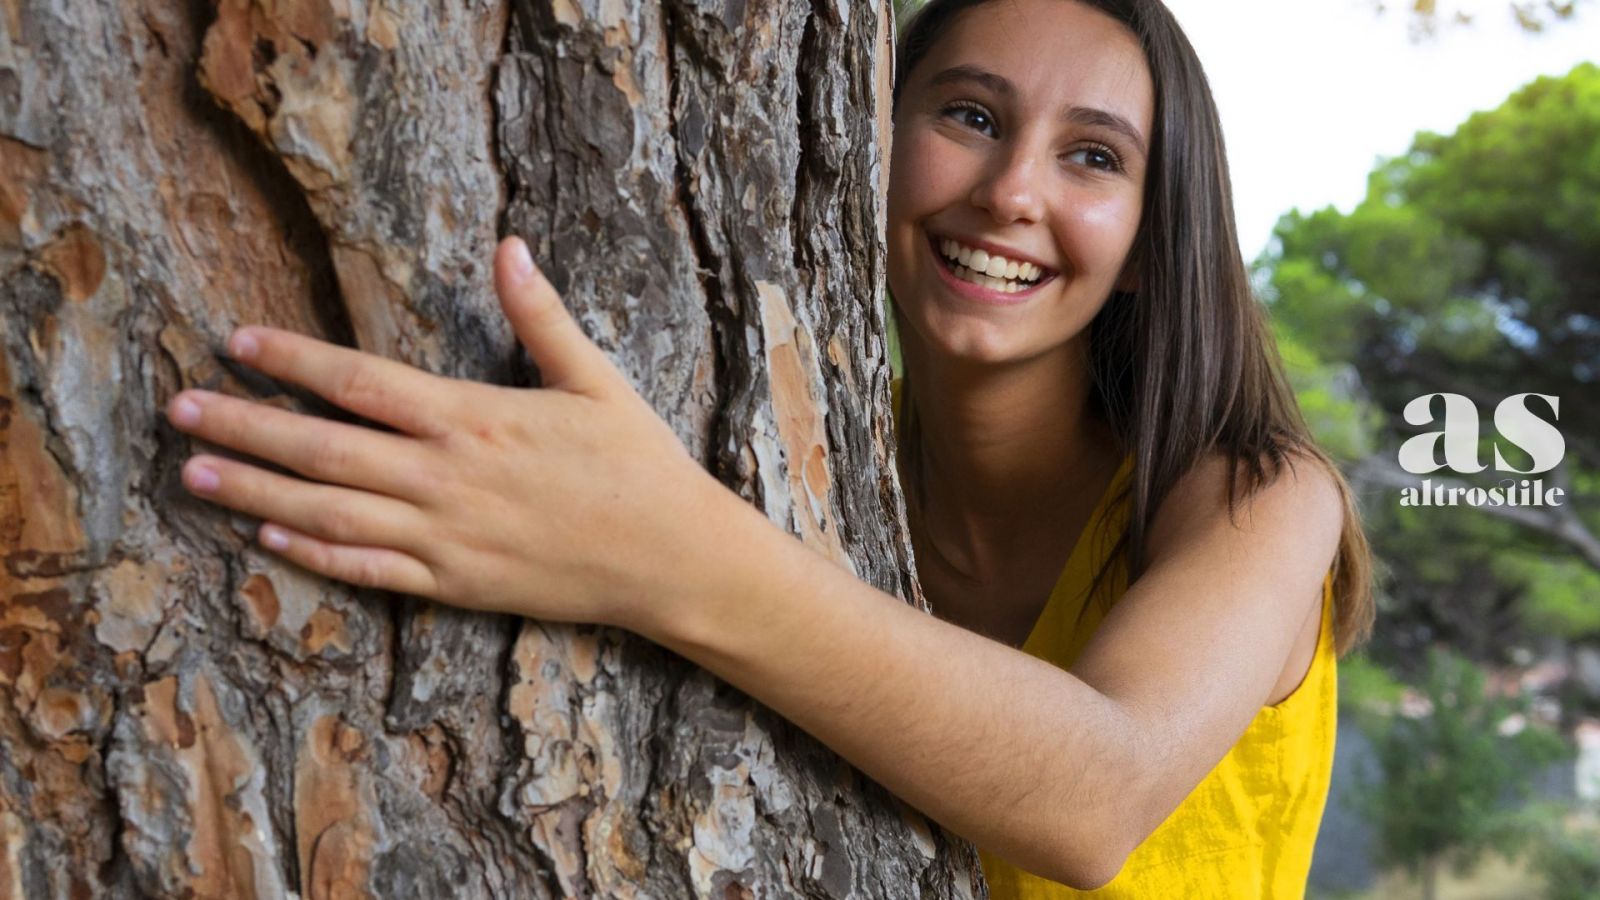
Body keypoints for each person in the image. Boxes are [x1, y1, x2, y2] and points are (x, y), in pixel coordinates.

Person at [162, 0, 1375, 894]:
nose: (1012, 190)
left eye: (1093, 156)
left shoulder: (1258, 495)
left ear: (1154, 233)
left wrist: (657, 549)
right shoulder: (818, 469)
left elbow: (1094, 798)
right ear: (854, 141)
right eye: (968, 115)